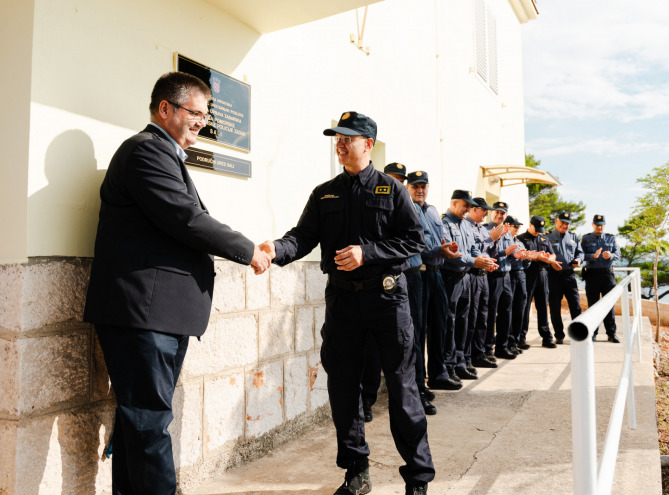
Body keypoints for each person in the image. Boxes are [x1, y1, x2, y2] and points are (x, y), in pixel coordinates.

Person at [82, 72, 271, 495]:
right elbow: (187, 219)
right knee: (148, 422)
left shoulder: (161, 154)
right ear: (165, 109)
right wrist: (247, 249)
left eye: (206, 115)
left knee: (141, 423)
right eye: (195, 113)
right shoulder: (145, 152)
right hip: (142, 313)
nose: (202, 122)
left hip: (156, 314)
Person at [262, 111, 433, 495]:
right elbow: (302, 236)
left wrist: (367, 253)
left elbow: (414, 240)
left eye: (348, 138)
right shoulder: (325, 193)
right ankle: (356, 470)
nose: (339, 144)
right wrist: (275, 250)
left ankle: (418, 477)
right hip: (343, 303)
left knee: (404, 390)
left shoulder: (393, 190)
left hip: (388, 300)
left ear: (368, 144)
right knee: (343, 388)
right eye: (336, 138)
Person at [406, 171, 461, 402]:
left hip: (437, 273)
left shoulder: (432, 211)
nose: (420, 190)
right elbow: (417, 245)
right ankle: (418, 384)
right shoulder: (407, 209)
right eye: (416, 186)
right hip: (419, 273)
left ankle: (438, 374)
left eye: (424, 186)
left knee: (440, 325)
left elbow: (437, 241)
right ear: (408, 187)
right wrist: (439, 249)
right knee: (418, 331)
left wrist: (445, 247)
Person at [361, 162, 409, 422]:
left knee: (404, 345)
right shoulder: (373, 195)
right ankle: (368, 399)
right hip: (376, 280)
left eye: (402, 179)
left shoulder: (410, 204)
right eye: (394, 178)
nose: (398, 182)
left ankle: (406, 399)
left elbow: (415, 239)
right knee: (371, 348)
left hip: (405, 278)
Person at [440, 190, 497, 382]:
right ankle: (447, 366)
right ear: (454, 203)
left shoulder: (465, 225)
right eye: (465, 205)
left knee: (464, 322)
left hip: (465, 278)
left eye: (470, 206)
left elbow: (473, 249)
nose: (468, 209)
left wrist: (484, 260)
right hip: (450, 277)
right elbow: (451, 253)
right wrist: (475, 262)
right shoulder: (444, 223)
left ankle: (460, 363)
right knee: (450, 323)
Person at [485, 202, 527, 360]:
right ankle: (487, 349)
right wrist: (504, 252)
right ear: (492, 213)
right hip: (493, 277)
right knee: (490, 315)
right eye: (497, 212)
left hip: (507, 276)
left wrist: (515, 256)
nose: (499, 215)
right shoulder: (486, 230)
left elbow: (510, 254)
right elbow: (486, 252)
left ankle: (502, 347)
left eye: (502, 213)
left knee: (505, 314)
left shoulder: (508, 233)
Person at [466, 197, 498, 369]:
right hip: (472, 274)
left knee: (483, 317)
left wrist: (494, 241)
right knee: (471, 316)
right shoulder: (467, 226)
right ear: (474, 210)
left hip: (484, 275)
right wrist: (490, 239)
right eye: (484, 209)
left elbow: (489, 251)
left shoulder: (483, 229)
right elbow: (474, 249)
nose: (486, 213)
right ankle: (468, 356)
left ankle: (480, 353)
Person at [517, 216, 557, 349]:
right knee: (525, 306)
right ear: (530, 225)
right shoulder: (521, 238)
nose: (538, 232)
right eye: (536, 229)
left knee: (543, 306)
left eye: (541, 229)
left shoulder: (544, 238)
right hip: (528, 274)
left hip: (543, 274)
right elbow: (521, 256)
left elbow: (552, 255)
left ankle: (546, 337)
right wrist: (534, 257)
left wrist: (549, 259)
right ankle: (521, 338)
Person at [581, 214, 621, 343]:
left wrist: (610, 255)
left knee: (609, 304)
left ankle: (611, 333)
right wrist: (593, 255)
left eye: (601, 224)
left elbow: (618, 254)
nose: (599, 227)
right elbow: (581, 255)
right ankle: (592, 332)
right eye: (597, 225)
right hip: (592, 275)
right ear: (593, 225)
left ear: (604, 225)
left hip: (607, 275)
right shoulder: (586, 238)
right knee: (592, 305)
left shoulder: (611, 238)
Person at [546, 212, 584, 344]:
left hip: (569, 276)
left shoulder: (573, 236)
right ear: (556, 221)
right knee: (555, 307)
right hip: (553, 276)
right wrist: (551, 262)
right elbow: (543, 255)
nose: (565, 225)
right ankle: (559, 335)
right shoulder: (548, 237)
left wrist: (579, 259)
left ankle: (578, 334)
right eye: (562, 222)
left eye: (567, 223)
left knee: (575, 305)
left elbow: (580, 252)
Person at [505, 216, 529, 355]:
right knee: (510, 309)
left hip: (521, 275)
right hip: (511, 274)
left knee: (520, 308)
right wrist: (517, 258)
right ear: (508, 226)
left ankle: (515, 340)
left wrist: (526, 259)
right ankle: (508, 341)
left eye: (518, 225)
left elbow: (526, 263)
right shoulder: (506, 241)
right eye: (515, 225)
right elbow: (507, 260)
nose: (517, 228)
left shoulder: (520, 243)